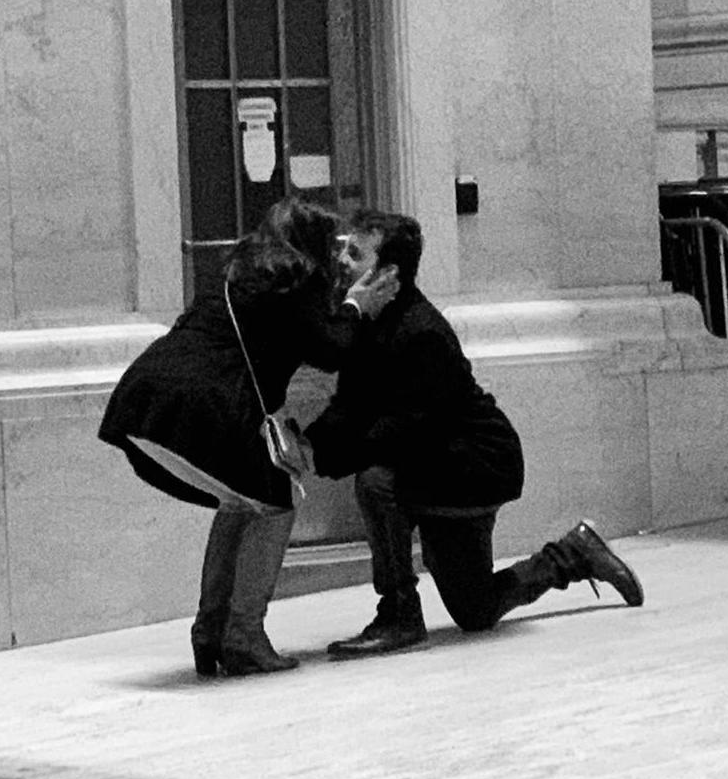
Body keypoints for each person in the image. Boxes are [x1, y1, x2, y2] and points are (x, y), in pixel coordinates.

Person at [303, 209, 644, 657]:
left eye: (355, 254)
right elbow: (350, 407)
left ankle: (399, 613)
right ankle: (574, 553)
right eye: (343, 250)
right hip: (434, 463)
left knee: (376, 481)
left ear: (387, 272)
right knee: (475, 609)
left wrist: (324, 460)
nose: (342, 261)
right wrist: (307, 447)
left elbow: (397, 431)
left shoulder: (420, 332)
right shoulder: (368, 320)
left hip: (474, 465)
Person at [98, 199, 398, 677]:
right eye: (334, 246)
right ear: (312, 244)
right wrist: (356, 307)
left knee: (242, 502)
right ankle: (243, 636)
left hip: (149, 396)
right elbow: (331, 349)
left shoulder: (241, 271)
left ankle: (210, 630)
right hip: (201, 407)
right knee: (275, 502)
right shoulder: (297, 278)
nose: (338, 258)